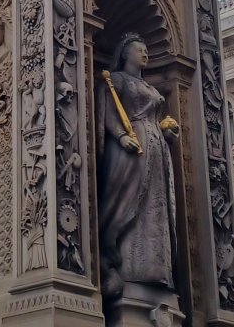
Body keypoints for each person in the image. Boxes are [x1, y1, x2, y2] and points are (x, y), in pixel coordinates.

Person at [97, 33, 179, 297]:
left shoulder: (150, 87)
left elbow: (155, 116)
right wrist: (121, 136)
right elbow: (108, 111)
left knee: (154, 209)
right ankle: (127, 268)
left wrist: (166, 131)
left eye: (146, 50)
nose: (145, 53)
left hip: (156, 152)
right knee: (128, 203)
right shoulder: (116, 80)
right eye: (139, 50)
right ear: (125, 53)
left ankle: (155, 271)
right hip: (131, 151)